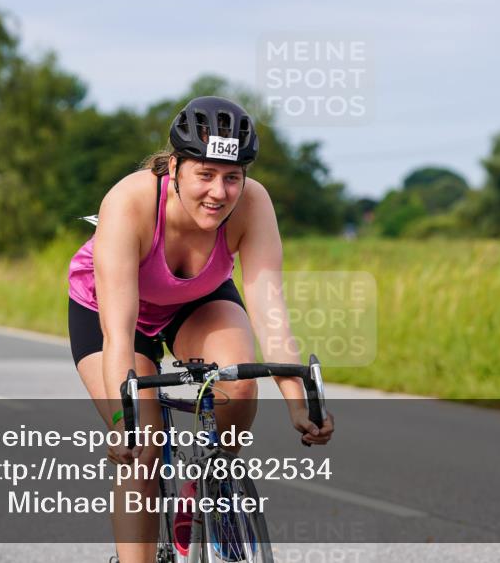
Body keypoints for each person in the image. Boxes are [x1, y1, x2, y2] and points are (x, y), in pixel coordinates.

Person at [67, 96, 335, 563]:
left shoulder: (253, 205)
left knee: (241, 384)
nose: (219, 192)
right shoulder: (129, 202)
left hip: (196, 303)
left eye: (232, 177)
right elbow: (117, 332)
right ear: (175, 167)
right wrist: (122, 421)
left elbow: (271, 313)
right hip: (110, 312)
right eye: (205, 174)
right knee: (144, 446)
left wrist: (299, 404)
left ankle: (215, 483)